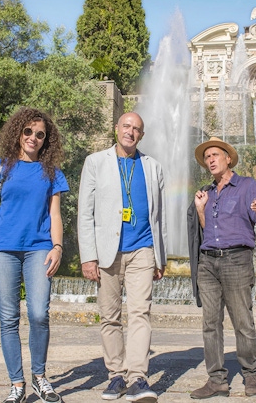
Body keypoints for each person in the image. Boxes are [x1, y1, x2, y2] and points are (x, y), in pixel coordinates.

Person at [0, 107, 68, 403]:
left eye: (40, 134)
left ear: (47, 140)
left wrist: (57, 247)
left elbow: (55, 214)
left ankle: (40, 377)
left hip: (40, 248)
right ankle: (16, 383)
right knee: (8, 318)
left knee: (38, 314)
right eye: (28, 131)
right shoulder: (0, 167)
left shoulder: (52, 173)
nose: (33, 137)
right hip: (3, 248)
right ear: (18, 133)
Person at [78, 112, 166, 403]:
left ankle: (138, 377)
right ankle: (115, 375)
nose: (130, 132)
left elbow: (159, 216)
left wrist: (160, 255)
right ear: (116, 129)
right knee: (110, 316)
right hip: (107, 250)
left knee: (141, 313)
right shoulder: (95, 162)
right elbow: (85, 213)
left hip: (142, 249)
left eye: (136, 129)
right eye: (126, 126)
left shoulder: (153, 167)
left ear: (142, 135)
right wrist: (87, 256)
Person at [189, 137, 256, 399]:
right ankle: (216, 381)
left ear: (228, 158)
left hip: (237, 259)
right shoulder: (208, 192)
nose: (210, 160)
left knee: (242, 321)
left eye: (215, 155)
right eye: (207, 157)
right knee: (210, 323)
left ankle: (251, 375)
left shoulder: (247, 185)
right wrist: (201, 209)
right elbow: (207, 230)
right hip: (208, 262)